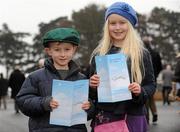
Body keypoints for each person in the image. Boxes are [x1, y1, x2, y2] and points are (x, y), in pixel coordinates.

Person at [89, 2, 156, 132]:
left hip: (133, 116)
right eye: (113, 23)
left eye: (122, 22)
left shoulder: (141, 53)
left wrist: (140, 91)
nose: (117, 27)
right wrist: (92, 86)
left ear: (130, 25)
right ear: (107, 26)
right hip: (106, 117)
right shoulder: (99, 54)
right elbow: (92, 94)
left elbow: (151, 85)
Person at [16, 28, 94, 132]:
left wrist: (89, 107)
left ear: (74, 49)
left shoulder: (82, 78)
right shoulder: (35, 77)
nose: (62, 54)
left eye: (67, 49)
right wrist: (44, 103)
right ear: (49, 51)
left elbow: (91, 110)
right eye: (57, 50)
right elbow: (23, 102)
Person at [143, 36, 162, 123]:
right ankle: (155, 113)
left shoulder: (142, 53)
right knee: (152, 97)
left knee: (145, 98)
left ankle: (147, 118)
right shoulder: (156, 53)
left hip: (144, 78)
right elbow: (160, 67)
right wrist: (156, 75)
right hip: (154, 77)